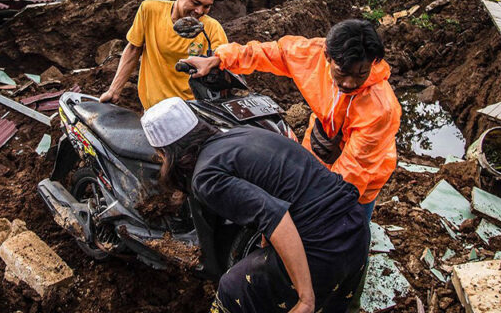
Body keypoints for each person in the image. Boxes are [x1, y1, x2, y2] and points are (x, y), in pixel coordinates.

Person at [141, 97, 370, 313]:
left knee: (231, 289)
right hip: (356, 230)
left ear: (165, 154)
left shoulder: (205, 177)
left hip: (324, 246)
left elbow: (275, 216)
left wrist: (305, 298)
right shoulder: (239, 134)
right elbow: (280, 192)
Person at [181, 19, 400, 213]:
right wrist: (219, 59)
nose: (350, 83)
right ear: (327, 57)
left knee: (348, 224)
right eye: (342, 72)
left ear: (373, 63)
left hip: (362, 177)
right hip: (319, 148)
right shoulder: (312, 55)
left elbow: (355, 172)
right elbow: (273, 52)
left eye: (361, 74)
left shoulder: (380, 109)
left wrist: (322, 206)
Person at [100, 0, 228, 109]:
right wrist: (114, 90)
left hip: (190, 110)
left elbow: (223, 63)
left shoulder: (211, 28)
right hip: (154, 109)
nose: (200, 11)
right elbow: (133, 49)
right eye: (195, 3)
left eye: (207, 6)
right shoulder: (150, 10)